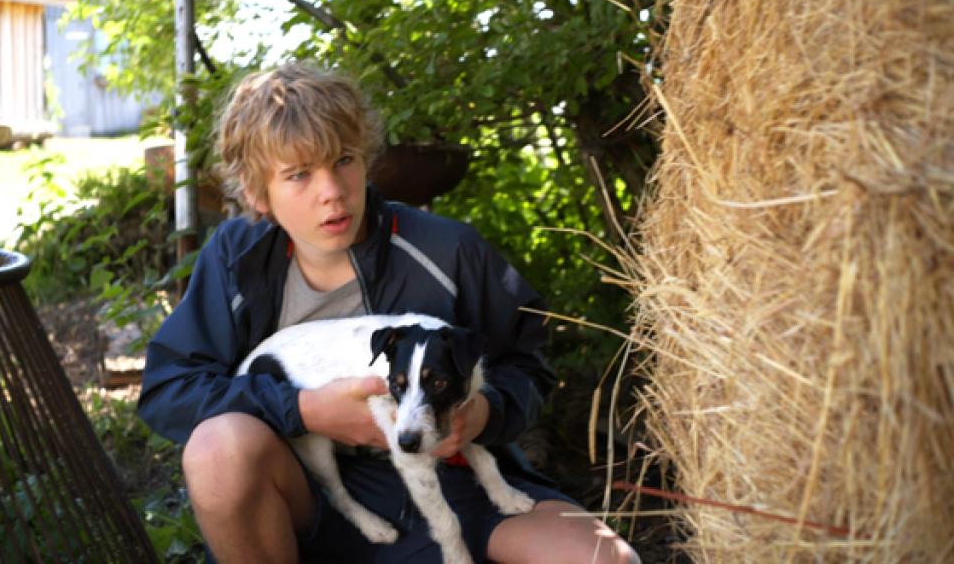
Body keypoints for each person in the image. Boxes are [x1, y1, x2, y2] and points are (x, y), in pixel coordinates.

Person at [137, 61, 640, 564]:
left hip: (454, 483)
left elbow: (527, 363)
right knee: (217, 448)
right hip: (305, 490)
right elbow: (170, 390)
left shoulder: (448, 251)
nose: (331, 190)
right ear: (256, 192)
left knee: (607, 560)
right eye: (299, 175)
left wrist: (483, 413)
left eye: (343, 160)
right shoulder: (236, 259)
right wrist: (305, 409)